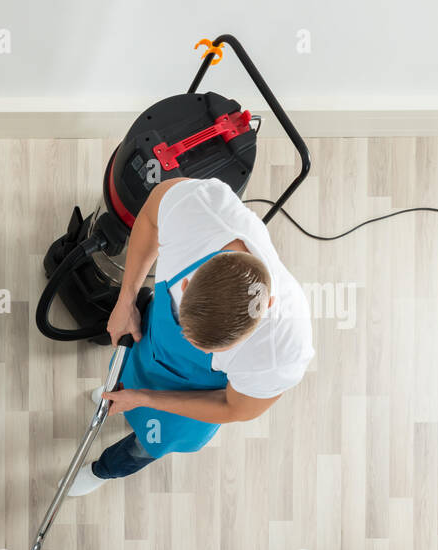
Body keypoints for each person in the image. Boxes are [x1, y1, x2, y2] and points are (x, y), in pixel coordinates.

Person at [69, 176, 313, 494]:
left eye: (210, 346)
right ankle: (122, 391)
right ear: (185, 285)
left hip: (199, 396)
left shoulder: (281, 350)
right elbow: (148, 218)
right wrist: (126, 298)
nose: (191, 345)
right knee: (123, 380)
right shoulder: (199, 208)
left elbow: (233, 407)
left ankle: (104, 471)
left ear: (268, 306)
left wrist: (145, 398)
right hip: (151, 346)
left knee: (146, 445)